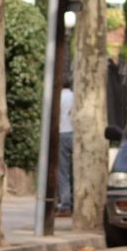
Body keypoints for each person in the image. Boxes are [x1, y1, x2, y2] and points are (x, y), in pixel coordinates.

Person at [57, 84, 73, 216]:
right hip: (76, 133)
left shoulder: (57, 97)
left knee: (63, 171)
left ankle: (65, 204)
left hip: (62, 133)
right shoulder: (75, 97)